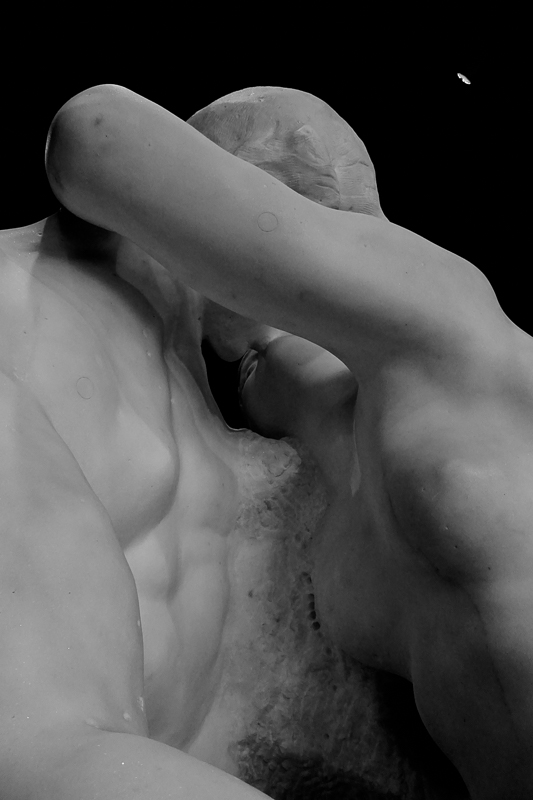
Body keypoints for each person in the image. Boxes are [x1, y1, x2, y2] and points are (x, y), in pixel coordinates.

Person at [0, 88, 463, 800]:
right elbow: (38, 748)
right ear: (231, 203)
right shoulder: (22, 308)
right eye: (334, 228)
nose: (354, 275)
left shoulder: (209, 393)